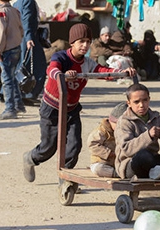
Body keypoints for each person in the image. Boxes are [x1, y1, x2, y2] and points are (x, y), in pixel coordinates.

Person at [22, 23, 136, 183]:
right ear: (72, 42)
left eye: (88, 42)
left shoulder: (88, 63)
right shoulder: (61, 57)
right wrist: (62, 75)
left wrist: (122, 72)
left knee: (74, 146)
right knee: (49, 147)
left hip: (71, 109)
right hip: (52, 107)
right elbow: (52, 70)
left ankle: (66, 181)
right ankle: (30, 158)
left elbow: (103, 72)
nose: (85, 45)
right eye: (81, 41)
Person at [0, 0, 26, 119]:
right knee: (13, 78)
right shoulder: (15, 11)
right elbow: (21, 30)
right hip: (16, 47)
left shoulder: (0, 12)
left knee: (7, 79)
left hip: (7, 49)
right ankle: (18, 105)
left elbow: (0, 33)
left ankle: (10, 109)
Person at [13, 0, 47, 102]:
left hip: (20, 37)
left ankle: (17, 93)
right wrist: (29, 38)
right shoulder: (28, 1)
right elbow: (26, 19)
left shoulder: (16, 3)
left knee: (21, 66)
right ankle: (29, 94)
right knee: (37, 66)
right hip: (29, 38)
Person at [87, 102, 128, 178]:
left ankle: (125, 172)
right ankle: (117, 174)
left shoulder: (124, 132)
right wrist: (109, 153)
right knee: (98, 169)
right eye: (118, 125)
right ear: (111, 121)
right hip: (102, 162)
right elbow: (93, 144)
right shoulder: (101, 131)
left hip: (118, 162)